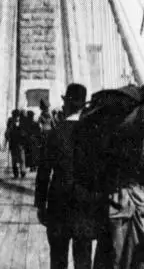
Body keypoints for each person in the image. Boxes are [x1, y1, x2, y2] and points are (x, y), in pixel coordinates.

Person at [35, 83, 98, 269]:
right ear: (83, 106)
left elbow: (44, 171)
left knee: (58, 259)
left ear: (68, 104)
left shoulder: (56, 132)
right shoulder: (94, 133)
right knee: (84, 260)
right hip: (85, 204)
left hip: (58, 203)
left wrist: (40, 203)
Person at [7, 109, 26, 179]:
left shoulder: (22, 122)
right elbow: (8, 132)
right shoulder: (10, 123)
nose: (16, 118)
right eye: (15, 116)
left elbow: (24, 132)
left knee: (21, 158)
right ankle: (16, 173)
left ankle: (23, 171)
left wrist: (22, 135)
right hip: (13, 143)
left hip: (20, 143)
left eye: (17, 116)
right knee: (14, 159)